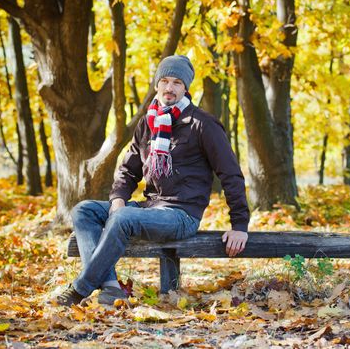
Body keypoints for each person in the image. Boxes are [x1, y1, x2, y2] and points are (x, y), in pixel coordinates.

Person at [53, 55, 250, 306]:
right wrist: (117, 198)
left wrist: (239, 225)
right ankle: (111, 286)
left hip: (181, 214)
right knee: (84, 210)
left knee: (124, 218)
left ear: (185, 88)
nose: (169, 88)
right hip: (151, 207)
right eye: (165, 81)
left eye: (177, 82)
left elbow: (231, 175)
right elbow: (129, 168)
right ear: (157, 84)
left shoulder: (203, 124)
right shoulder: (149, 122)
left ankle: (80, 289)